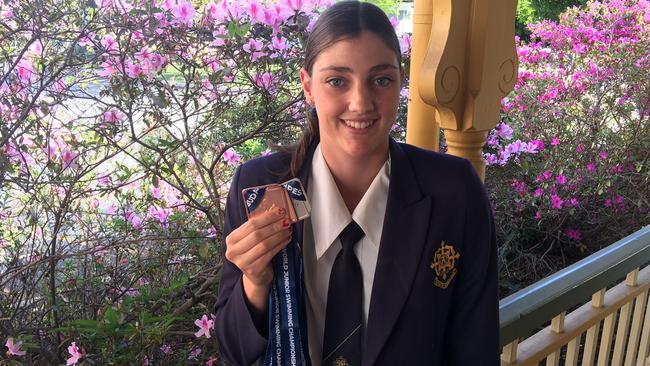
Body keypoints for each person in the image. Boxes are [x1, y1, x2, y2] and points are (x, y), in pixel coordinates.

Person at [214, 1, 500, 365]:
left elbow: (476, 348)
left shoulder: (453, 193)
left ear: (400, 82)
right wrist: (254, 282)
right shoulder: (259, 188)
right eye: (337, 81)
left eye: (381, 79)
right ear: (308, 86)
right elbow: (234, 352)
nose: (361, 102)